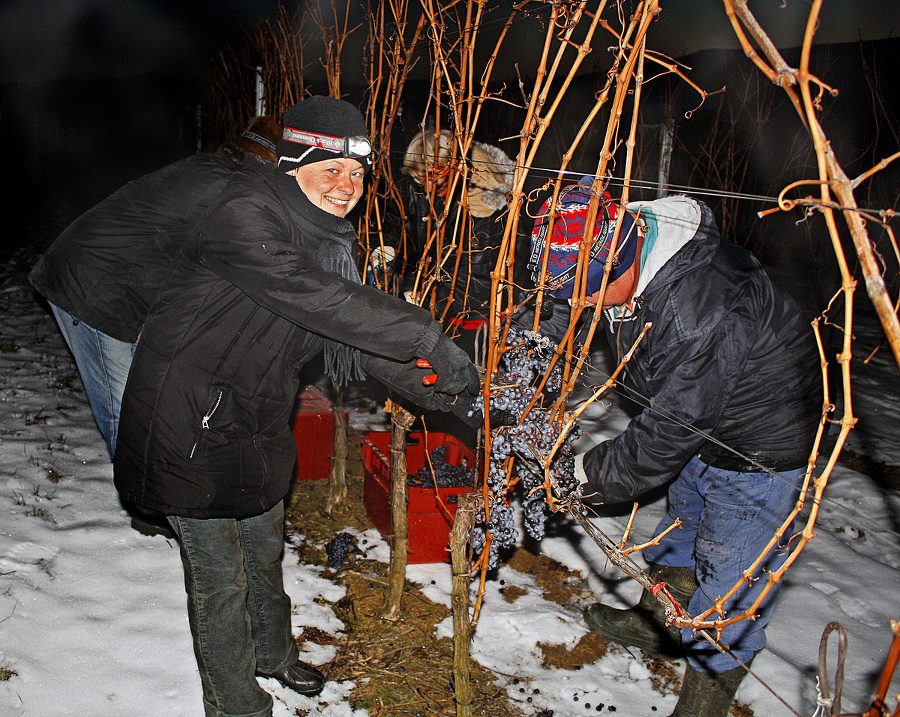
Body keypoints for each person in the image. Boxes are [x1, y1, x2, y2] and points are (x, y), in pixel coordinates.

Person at [113, 96, 479, 717]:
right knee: (219, 577)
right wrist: (422, 334)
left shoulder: (324, 234)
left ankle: (273, 653)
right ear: (291, 165)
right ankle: (235, 703)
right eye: (330, 170)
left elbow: (346, 332)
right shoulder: (244, 216)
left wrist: (435, 389)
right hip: (186, 419)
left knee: (264, 544)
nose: (347, 187)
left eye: (358, 174)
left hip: (254, 411)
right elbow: (317, 298)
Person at [531, 189, 821, 717]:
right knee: (684, 524)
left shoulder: (701, 309)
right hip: (702, 417)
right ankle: (657, 626)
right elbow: (564, 307)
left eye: (589, 290)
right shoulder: (619, 254)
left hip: (760, 445)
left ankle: (704, 699)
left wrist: (575, 477)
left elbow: (665, 436)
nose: (583, 303)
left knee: (731, 583)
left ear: (624, 257)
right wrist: (527, 365)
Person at [28, 116, 283, 459]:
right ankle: (146, 503)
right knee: (126, 411)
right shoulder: (223, 188)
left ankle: (155, 488)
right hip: (93, 288)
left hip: (118, 281)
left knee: (148, 399)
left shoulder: (215, 168)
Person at [374, 128, 513, 360]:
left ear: (456, 168)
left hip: (470, 317)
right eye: (420, 178)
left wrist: (425, 299)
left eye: (432, 177)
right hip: (428, 300)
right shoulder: (410, 188)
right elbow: (395, 226)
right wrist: (386, 247)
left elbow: (476, 281)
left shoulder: (483, 204)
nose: (426, 187)